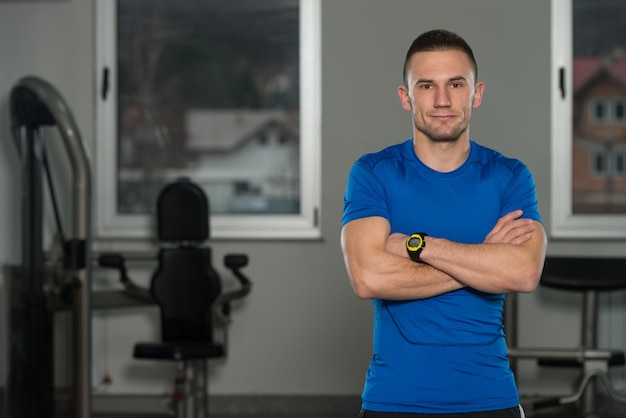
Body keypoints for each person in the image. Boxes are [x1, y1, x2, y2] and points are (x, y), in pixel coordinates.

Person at [340, 29, 547, 418]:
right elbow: (368, 277)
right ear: (405, 97)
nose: (441, 100)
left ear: (477, 93)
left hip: (491, 398)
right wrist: (485, 260)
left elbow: (523, 273)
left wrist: (418, 246)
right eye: (425, 85)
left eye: (455, 84)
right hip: (394, 399)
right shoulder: (373, 173)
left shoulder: (510, 176)